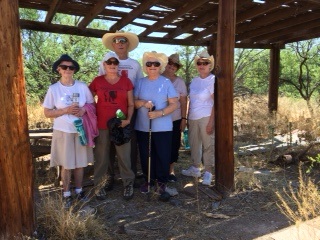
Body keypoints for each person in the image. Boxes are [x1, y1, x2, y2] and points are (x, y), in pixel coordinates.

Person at [43, 54, 95, 208]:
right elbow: (47, 112)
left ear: (74, 70)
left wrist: (83, 110)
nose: (68, 70)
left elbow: (92, 104)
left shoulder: (82, 86)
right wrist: (65, 110)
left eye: (71, 67)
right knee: (66, 164)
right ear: (59, 70)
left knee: (80, 163)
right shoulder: (53, 89)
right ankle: (66, 194)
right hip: (62, 130)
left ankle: (79, 191)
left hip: (80, 130)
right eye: (64, 67)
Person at [99, 30, 144, 188]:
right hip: (107, 110)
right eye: (117, 40)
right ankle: (109, 177)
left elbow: (138, 87)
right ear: (113, 44)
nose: (120, 43)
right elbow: (100, 84)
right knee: (108, 145)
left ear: (127, 44)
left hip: (129, 109)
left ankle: (129, 178)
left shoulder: (135, 64)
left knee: (129, 143)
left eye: (123, 40)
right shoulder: (105, 61)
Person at [89, 52, 135, 200]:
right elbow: (88, 98)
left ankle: (128, 184)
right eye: (109, 63)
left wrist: (128, 120)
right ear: (104, 65)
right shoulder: (97, 81)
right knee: (102, 157)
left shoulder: (126, 81)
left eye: (115, 63)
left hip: (120, 124)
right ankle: (100, 184)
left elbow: (131, 103)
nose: (112, 65)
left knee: (124, 156)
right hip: (102, 124)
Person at [134, 51, 178, 196]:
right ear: (145, 66)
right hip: (143, 127)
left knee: (162, 155)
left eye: (156, 64)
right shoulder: (140, 82)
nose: (152, 66)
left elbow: (174, 104)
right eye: (149, 64)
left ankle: (161, 182)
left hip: (163, 128)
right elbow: (133, 103)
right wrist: (142, 103)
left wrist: (160, 113)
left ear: (160, 66)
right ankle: (149, 180)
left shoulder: (166, 82)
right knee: (146, 154)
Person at [181, 50, 215, 186]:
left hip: (206, 116)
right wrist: (188, 117)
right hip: (193, 117)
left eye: (205, 63)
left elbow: (216, 103)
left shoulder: (212, 80)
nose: (202, 65)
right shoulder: (195, 81)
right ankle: (195, 168)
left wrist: (211, 121)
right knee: (194, 144)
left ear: (210, 65)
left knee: (208, 145)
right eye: (199, 63)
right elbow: (191, 100)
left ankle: (208, 172)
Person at [162, 53, 188, 182]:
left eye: (175, 65)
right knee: (161, 145)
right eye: (169, 63)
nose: (172, 66)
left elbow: (183, 101)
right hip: (159, 119)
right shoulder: (157, 78)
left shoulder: (180, 82)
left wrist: (184, 119)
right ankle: (160, 169)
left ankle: (171, 170)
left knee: (174, 144)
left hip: (176, 118)